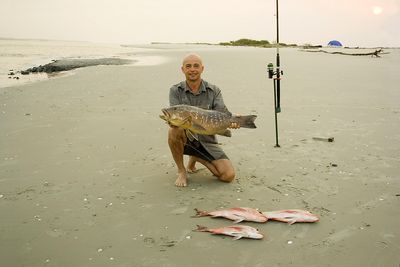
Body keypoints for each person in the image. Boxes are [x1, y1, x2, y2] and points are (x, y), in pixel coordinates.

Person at [167, 53, 239, 187]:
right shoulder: (175, 90)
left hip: (208, 140)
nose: (192, 69)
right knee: (173, 130)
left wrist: (233, 120)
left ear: (202, 68)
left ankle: (197, 157)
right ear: (183, 69)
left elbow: (221, 113)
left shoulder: (214, 90)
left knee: (227, 175)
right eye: (188, 66)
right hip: (187, 138)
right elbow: (174, 117)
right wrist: (172, 121)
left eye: (196, 66)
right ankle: (182, 171)